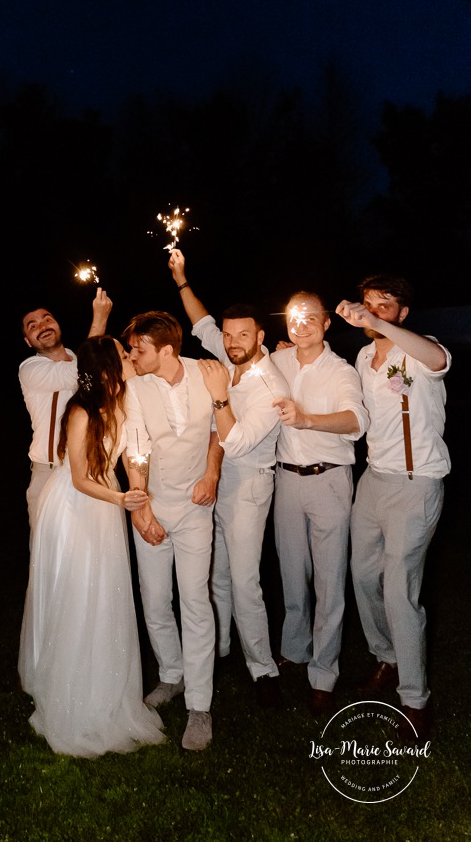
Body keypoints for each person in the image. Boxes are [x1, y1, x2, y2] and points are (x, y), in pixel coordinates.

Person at [18, 336, 166, 757]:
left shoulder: (123, 401)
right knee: (78, 595)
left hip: (105, 505)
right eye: (124, 355)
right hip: (74, 507)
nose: (131, 357)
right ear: (106, 368)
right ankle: (68, 693)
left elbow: (131, 453)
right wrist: (121, 501)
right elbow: (81, 478)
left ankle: (105, 689)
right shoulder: (81, 410)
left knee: (106, 597)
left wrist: (136, 489)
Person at [168, 249, 289, 709]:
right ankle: (217, 651)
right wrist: (182, 279)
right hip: (211, 478)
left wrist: (219, 399)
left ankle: (263, 669)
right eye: (229, 334)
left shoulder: (269, 385)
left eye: (244, 334)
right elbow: (201, 324)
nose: (233, 341)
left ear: (261, 336)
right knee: (214, 572)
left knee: (243, 581)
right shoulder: (227, 351)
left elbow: (236, 442)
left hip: (248, 485)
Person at [336, 276, 450, 741]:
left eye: (385, 306)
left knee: (400, 588)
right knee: (363, 576)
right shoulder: (364, 357)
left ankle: (414, 698)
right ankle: (387, 655)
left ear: (403, 314)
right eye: (366, 304)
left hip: (416, 482)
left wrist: (374, 323)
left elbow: (438, 359)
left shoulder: (424, 351)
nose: (372, 312)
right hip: (374, 479)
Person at [123, 311, 221, 752]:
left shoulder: (207, 373)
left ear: (166, 349)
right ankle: (171, 675)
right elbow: (135, 446)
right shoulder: (135, 386)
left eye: (137, 349)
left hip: (197, 506)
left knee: (196, 600)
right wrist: (141, 507)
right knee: (155, 597)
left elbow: (219, 431)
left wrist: (212, 477)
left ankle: (200, 706)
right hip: (154, 505)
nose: (131, 356)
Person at [270, 293, 368, 715]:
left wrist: (307, 419)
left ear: (327, 324)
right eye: (295, 317)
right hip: (286, 480)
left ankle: (324, 674)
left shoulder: (341, 370)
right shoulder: (278, 363)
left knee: (329, 583)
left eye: (312, 317)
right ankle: (294, 648)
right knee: (292, 573)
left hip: (329, 480)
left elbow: (356, 421)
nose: (302, 323)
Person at [19, 288, 112, 530]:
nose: (43, 325)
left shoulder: (74, 356)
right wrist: (100, 318)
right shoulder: (30, 369)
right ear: (28, 342)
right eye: (33, 325)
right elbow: (78, 372)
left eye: (47, 319)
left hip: (88, 474)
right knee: (47, 557)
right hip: (49, 473)